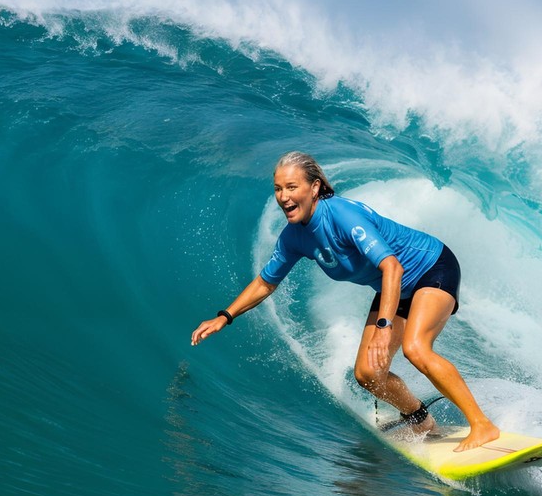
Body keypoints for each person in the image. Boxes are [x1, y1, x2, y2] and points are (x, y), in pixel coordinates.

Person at [191, 152, 500, 452]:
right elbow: (265, 282)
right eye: (278, 189)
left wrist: (384, 326)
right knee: (368, 374)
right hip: (395, 287)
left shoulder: (342, 215)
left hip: (431, 268)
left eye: (291, 187)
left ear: (314, 188)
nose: (284, 197)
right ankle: (421, 421)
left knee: (415, 348)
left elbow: (392, 266)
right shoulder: (294, 237)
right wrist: (224, 316)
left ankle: (482, 425)